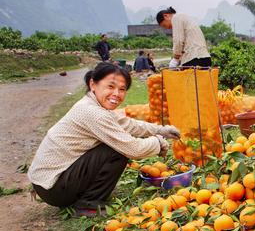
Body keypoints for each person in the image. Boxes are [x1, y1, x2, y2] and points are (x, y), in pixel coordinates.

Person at [28, 62, 180, 217]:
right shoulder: (92, 112)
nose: (116, 94)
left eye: (122, 89)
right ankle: (88, 204)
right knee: (117, 149)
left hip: (49, 183)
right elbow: (133, 148)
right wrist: (158, 142)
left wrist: (161, 130)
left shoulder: (94, 105)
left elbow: (127, 124)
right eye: (110, 87)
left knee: (116, 143)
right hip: (53, 188)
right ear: (93, 84)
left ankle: (83, 194)